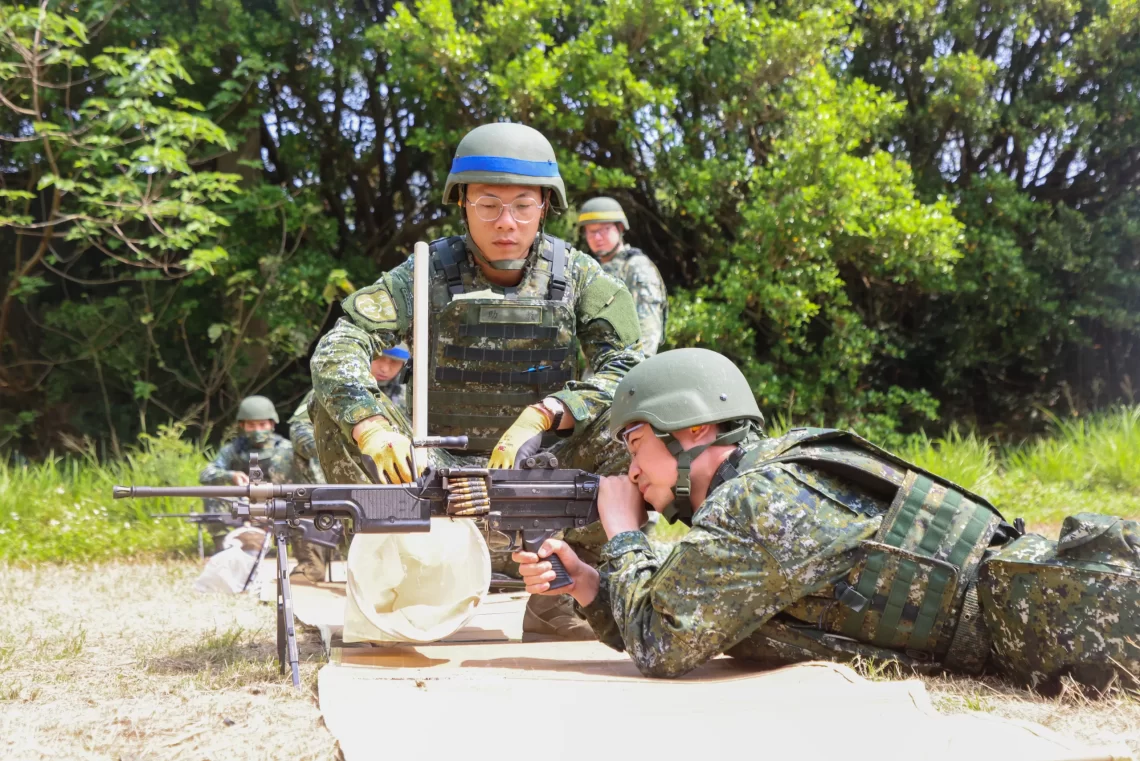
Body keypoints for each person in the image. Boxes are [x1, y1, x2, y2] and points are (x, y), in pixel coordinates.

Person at [513, 348, 1140, 693]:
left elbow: (664, 646)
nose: (632, 467)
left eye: (636, 442)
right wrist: (593, 587)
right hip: (1037, 605)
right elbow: (683, 621)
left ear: (693, 430)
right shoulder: (768, 477)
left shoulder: (757, 504)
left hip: (1059, 611)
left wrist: (624, 534)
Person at [309, 121, 646, 638]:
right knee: (332, 407)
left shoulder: (578, 276)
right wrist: (372, 426)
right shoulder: (424, 271)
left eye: (522, 206)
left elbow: (629, 369)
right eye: (488, 205)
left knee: (636, 427)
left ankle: (561, 594)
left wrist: (549, 412)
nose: (505, 222)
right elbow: (341, 344)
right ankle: (402, 579)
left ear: (545, 208)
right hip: (438, 475)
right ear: (463, 203)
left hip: (542, 474)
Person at [199, 395, 306, 563]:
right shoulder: (234, 449)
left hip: (280, 505)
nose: (257, 430)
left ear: (272, 424)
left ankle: (305, 552)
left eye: (262, 424)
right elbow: (206, 474)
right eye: (251, 425)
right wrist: (231, 476)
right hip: (244, 504)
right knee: (212, 492)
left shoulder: (286, 449)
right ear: (242, 426)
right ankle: (223, 549)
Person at [290, 343, 411, 484]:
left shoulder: (409, 396)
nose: (385, 368)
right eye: (379, 358)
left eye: (394, 362)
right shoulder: (336, 388)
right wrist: (337, 447)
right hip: (340, 474)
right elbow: (299, 429)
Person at [577, 196, 667, 356]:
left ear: (619, 228)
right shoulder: (593, 270)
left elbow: (649, 331)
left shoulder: (637, 267)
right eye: (591, 231)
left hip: (626, 369)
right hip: (596, 370)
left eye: (604, 229)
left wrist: (632, 372)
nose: (597, 237)